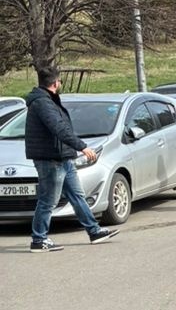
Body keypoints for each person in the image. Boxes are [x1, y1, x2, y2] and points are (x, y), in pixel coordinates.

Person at [24, 66, 115, 251]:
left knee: (77, 196)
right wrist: (82, 147)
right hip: (51, 160)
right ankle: (39, 240)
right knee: (48, 200)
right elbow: (58, 128)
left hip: (64, 158)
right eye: (60, 81)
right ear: (55, 83)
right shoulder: (42, 103)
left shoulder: (49, 100)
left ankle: (94, 231)